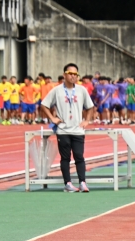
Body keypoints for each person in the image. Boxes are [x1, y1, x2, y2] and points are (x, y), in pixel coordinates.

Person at [41, 63, 95, 193]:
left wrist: (87, 120)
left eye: (75, 74)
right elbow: (44, 104)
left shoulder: (81, 90)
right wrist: (52, 118)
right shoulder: (57, 90)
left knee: (79, 156)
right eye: (70, 73)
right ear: (64, 75)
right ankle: (68, 183)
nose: (73, 76)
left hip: (77, 130)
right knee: (65, 158)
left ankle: (82, 182)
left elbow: (90, 107)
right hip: (63, 130)